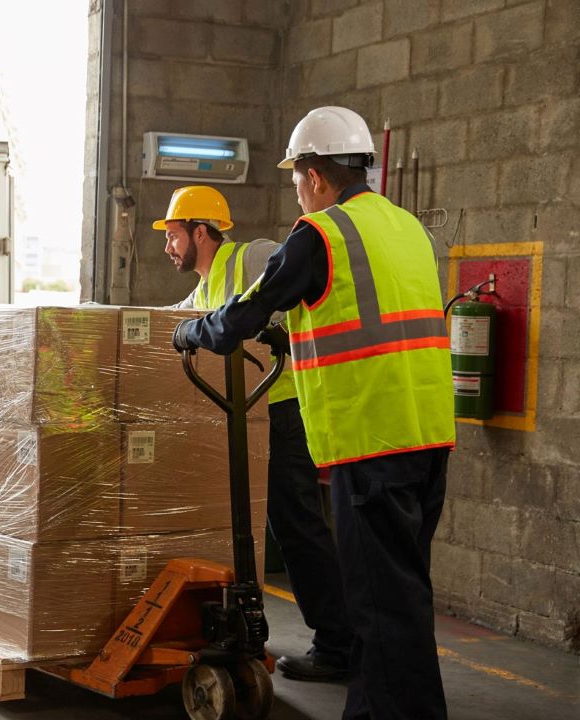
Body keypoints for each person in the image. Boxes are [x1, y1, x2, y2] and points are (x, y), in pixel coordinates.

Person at [172, 106, 454, 719]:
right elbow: (362, 312)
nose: (297, 193)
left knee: (381, 605)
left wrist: (191, 333)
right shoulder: (407, 228)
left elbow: (240, 319)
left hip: (370, 442)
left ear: (316, 176)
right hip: (429, 437)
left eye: (296, 179)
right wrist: (290, 336)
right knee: (403, 599)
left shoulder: (321, 234)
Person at [156, 185, 354, 682]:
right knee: (265, 525)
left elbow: (285, 297)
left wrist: (278, 328)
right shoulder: (202, 291)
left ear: (201, 231)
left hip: (284, 409)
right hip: (246, 414)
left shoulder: (255, 255)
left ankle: (339, 643)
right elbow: (173, 323)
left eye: (174, 235)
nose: (168, 247)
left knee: (297, 525)